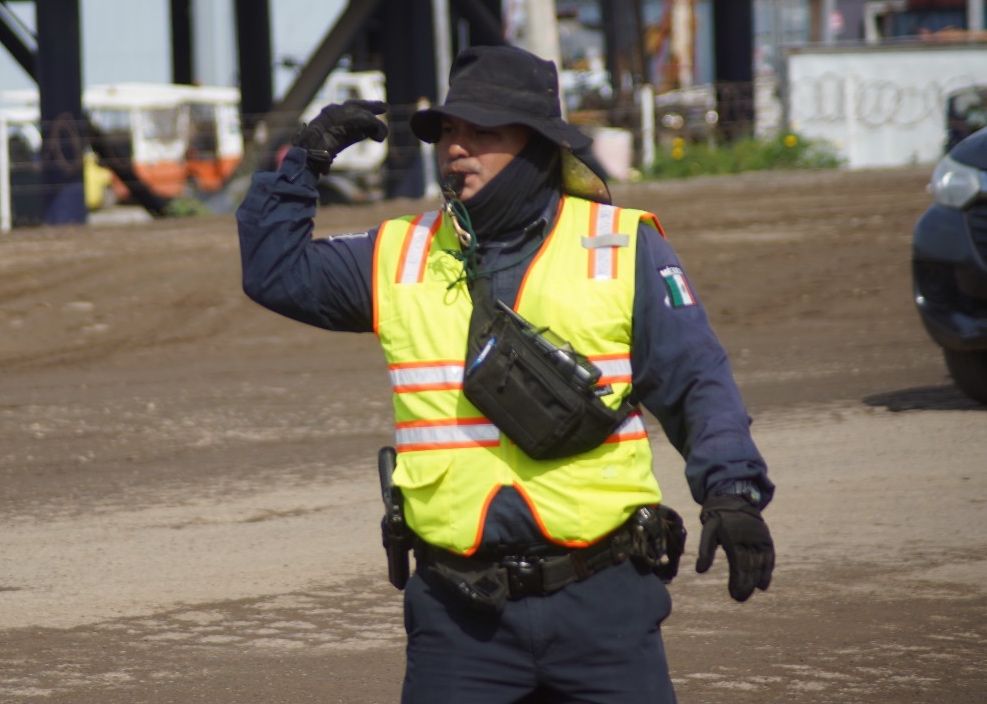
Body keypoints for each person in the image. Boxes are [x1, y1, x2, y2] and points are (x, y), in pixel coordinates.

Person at [237, 44, 775, 703]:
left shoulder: (622, 245)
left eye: (482, 133)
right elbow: (272, 271)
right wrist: (304, 159)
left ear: (537, 145)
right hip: (460, 620)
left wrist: (731, 493)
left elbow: (696, 381)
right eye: (449, 131)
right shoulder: (397, 254)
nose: (456, 148)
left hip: (604, 605)